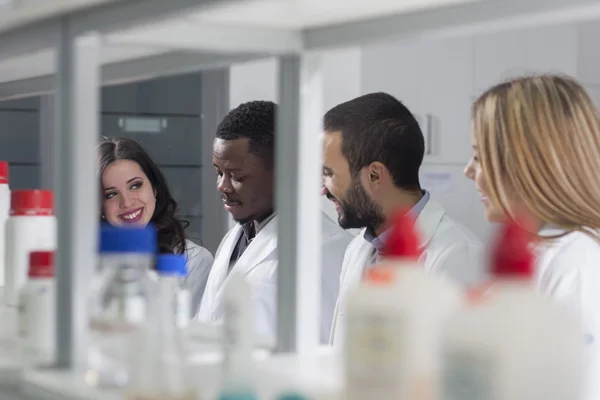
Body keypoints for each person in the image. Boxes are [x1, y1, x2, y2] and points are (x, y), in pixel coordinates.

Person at [464, 74, 600, 400]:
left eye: (480, 157)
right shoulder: (546, 251)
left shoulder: (576, 264)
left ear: (527, 163)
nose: (468, 170)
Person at [323, 92, 484, 345]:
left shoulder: (457, 256)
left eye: (328, 173)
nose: (323, 189)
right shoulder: (358, 249)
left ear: (375, 175)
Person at [196, 100, 352, 343]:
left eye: (237, 176)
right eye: (219, 172)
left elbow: (331, 347)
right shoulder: (235, 238)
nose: (222, 186)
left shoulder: (328, 249)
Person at [97, 137, 214, 316]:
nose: (127, 202)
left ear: (154, 189)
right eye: (111, 194)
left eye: (135, 185)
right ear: (100, 206)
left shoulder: (193, 261)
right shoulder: (82, 262)